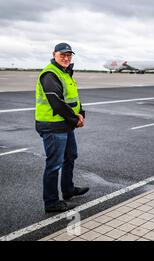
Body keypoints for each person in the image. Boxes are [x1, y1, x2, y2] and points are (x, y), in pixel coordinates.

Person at [35, 42, 89, 213]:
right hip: (52, 126)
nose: (66, 58)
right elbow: (57, 103)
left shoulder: (66, 73)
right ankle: (51, 202)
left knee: (70, 156)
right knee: (54, 164)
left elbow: (73, 98)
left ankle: (68, 189)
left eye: (69, 55)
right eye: (62, 55)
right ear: (54, 54)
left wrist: (81, 113)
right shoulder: (50, 74)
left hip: (65, 124)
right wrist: (75, 120)